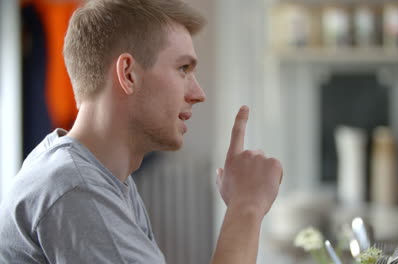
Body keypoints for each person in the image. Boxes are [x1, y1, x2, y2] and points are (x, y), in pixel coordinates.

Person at [0, 0, 283, 263]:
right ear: (128, 74)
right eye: (183, 68)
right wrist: (247, 205)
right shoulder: (76, 189)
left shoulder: (99, 175)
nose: (198, 94)